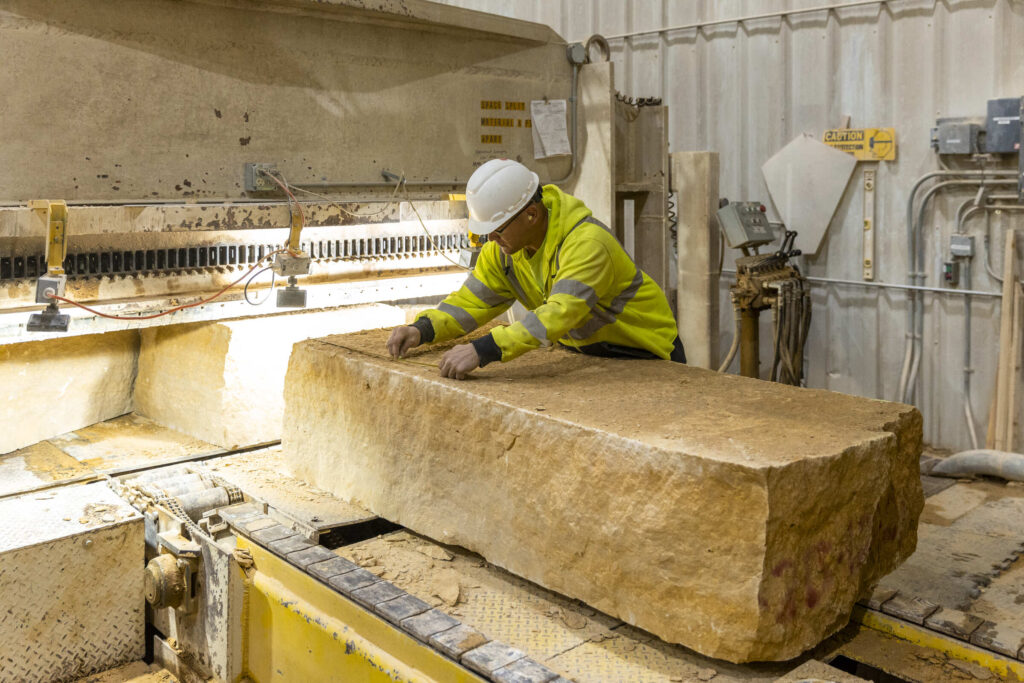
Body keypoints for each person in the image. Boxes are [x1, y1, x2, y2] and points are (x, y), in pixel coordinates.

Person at [386, 158, 685, 379]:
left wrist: (484, 349)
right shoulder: (502, 252)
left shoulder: (588, 244)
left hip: (648, 355)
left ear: (531, 214)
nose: (491, 239)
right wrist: (421, 329)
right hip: (591, 358)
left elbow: (559, 314)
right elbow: (469, 304)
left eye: (498, 229)